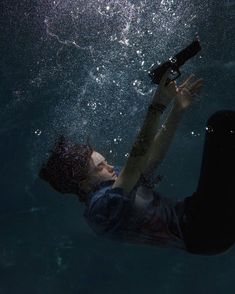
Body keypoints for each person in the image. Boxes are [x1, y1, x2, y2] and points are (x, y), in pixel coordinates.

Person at [39, 70, 235, 255]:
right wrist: (157, 106)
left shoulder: (111, 186)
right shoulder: (101, 210)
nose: (109, 167)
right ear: (84, 183)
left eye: (105, 162)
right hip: (203, 227)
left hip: (203, 226)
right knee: (222, 123)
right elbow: (135, 161)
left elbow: (152, 158)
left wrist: (177, 109)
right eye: (100, 167)